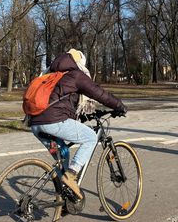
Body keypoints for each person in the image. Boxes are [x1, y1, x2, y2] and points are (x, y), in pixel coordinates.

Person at [30, 49, 127, 199]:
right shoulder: (76, 75)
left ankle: (63, 199)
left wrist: (82, 117)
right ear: (79, 63)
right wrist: (118, 105)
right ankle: (71, 175)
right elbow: (98, 93)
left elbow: (61, 102)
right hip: (53, 121)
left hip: (36, 123)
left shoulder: (51, 74)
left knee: (63, 155)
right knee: (90, 138)